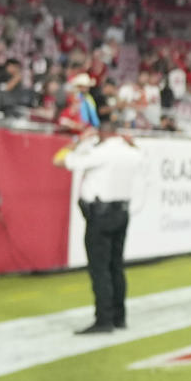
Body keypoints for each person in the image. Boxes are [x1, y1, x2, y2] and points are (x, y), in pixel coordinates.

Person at [54, 117, 145, 334]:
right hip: (121, 212)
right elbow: (142, 156)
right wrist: (131, 143)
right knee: (116, 266)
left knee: (99, 269)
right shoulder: (131, 153)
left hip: (100, 215)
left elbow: (59, 161)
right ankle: (119, 317)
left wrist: (78, 140)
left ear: (101, 134)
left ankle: (103, 319)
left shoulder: (100, 153)